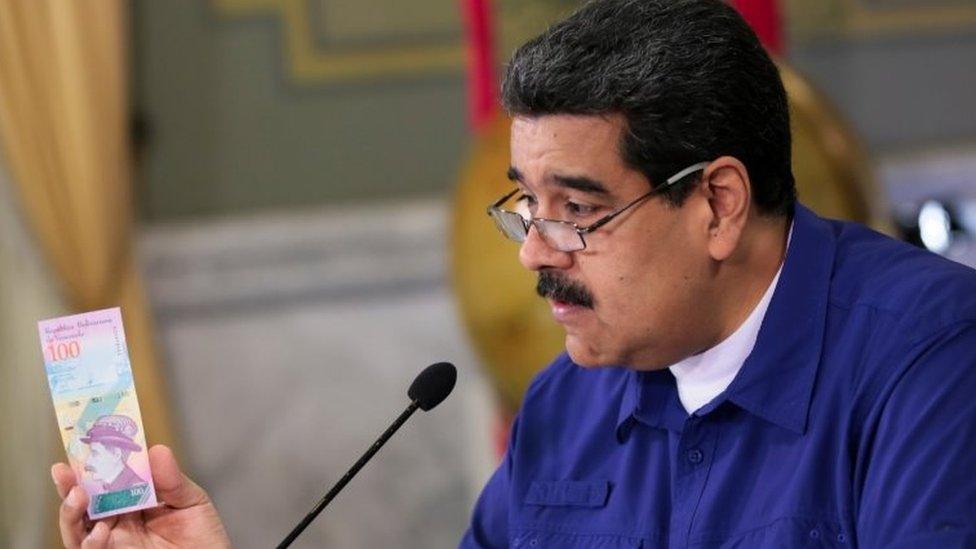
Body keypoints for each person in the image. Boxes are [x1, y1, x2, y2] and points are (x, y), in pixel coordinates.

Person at [53, 0, 976, 547]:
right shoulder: (566, 403)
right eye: (524, 207)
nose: (534, 252)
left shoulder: (931, 363)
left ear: (719, 205)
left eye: (577, 211)